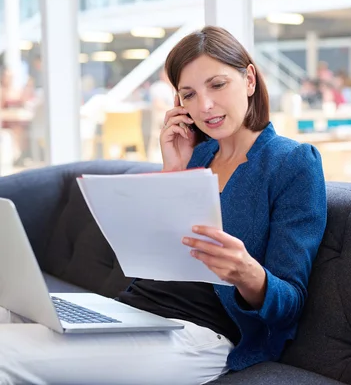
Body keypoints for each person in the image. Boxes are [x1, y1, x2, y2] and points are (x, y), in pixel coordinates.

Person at [0, 26, 328, 385]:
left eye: (217, 85)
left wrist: (247, 272)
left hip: (200, 335)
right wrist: (173, 170)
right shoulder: (197, 155)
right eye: (189, 94)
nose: (204, 106)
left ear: (249, 79)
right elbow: (155, 262)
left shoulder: (293, 162)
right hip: (132, 312)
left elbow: (291, 304)